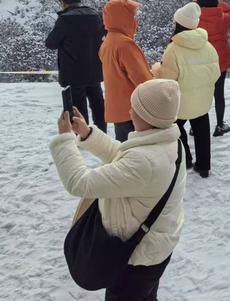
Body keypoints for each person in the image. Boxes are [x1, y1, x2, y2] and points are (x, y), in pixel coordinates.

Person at [49, 79, 186, 301]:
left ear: (149, 118)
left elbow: (79, 182)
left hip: (136, 261)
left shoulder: (145, 162)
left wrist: (65, 139)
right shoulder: (169, 141)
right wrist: (87, 134)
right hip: (156, 248)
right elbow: (124, 156)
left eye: (137, 110)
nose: (130, 111)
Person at [152, 2, 220, 178]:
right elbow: (216, 74)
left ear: (178, 24)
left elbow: (167, 81)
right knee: (202, 128)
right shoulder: (208, 46)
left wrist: (156, 69)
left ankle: (187, 159)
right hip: (202, 101)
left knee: (176, 126)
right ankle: (204, 167)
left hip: (181, 103)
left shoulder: (173, 49)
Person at [45, 0, 107, 133]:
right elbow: (106, 33)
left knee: (78, 106)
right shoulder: (96, 15)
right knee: (97, 102)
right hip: (94, 69)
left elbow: (50, 43)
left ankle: (83, 135)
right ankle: (102, 131)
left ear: (63, 2)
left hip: (74, 71)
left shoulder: (65, 19)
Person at [100, 0, 153, 141]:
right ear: (123, 16)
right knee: (139, 154)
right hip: (133, 110)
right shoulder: (125, 44)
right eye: (132, 14)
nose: (135, 19)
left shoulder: (108, 42)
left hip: (117, 109)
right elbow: (142, 80)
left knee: (125, 152)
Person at [196, 0, 230, 137]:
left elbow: (191, 7)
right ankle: (219, 126)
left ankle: (195, 127)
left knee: (199, 93)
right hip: (220, 63)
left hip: (199, 63)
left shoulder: (195, 19)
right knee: (219, 94)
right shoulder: (223, 18)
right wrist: (219, 4)